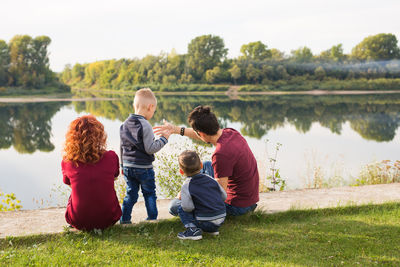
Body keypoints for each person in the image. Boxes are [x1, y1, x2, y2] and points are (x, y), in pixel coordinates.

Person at [154, 105, 259, 216]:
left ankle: (189, 192)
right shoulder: (231, 132)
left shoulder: (220, 154)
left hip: (238, 207)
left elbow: (219, 195)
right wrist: (176, 130)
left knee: (174, 207)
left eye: (198, 133)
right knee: (205, 165)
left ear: (201, 133)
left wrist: (190, 192)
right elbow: (201, 133)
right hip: (250, 198)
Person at [61, 115, 121, 231]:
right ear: (100, 136)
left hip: (79, 221)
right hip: (110, 218)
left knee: (74, 192)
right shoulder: (111, 157)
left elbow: (69, 184)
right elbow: (114, 177)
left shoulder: (68, 162)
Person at [119, 88, 171, 224]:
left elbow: (122, 148)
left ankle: (124, 219)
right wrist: (164, 138)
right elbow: (150, 149)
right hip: (144, 168)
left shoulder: (124, 124)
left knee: (130, 194)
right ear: (150, 107)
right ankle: (152, 218)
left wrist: (122, 166)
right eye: (154, 110)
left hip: (128, 167)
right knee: (149, 193)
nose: (153, 113)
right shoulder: (145, 125)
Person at [175, 150, 227, 240]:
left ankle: (193, 230)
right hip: (221, 219)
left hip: (204, 222)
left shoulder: (186, 185)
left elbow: (187, 208)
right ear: (201, 165)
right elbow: (224, 196)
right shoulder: (211, 179)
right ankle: (212, 230)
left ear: (181, 171)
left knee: (181, 208)